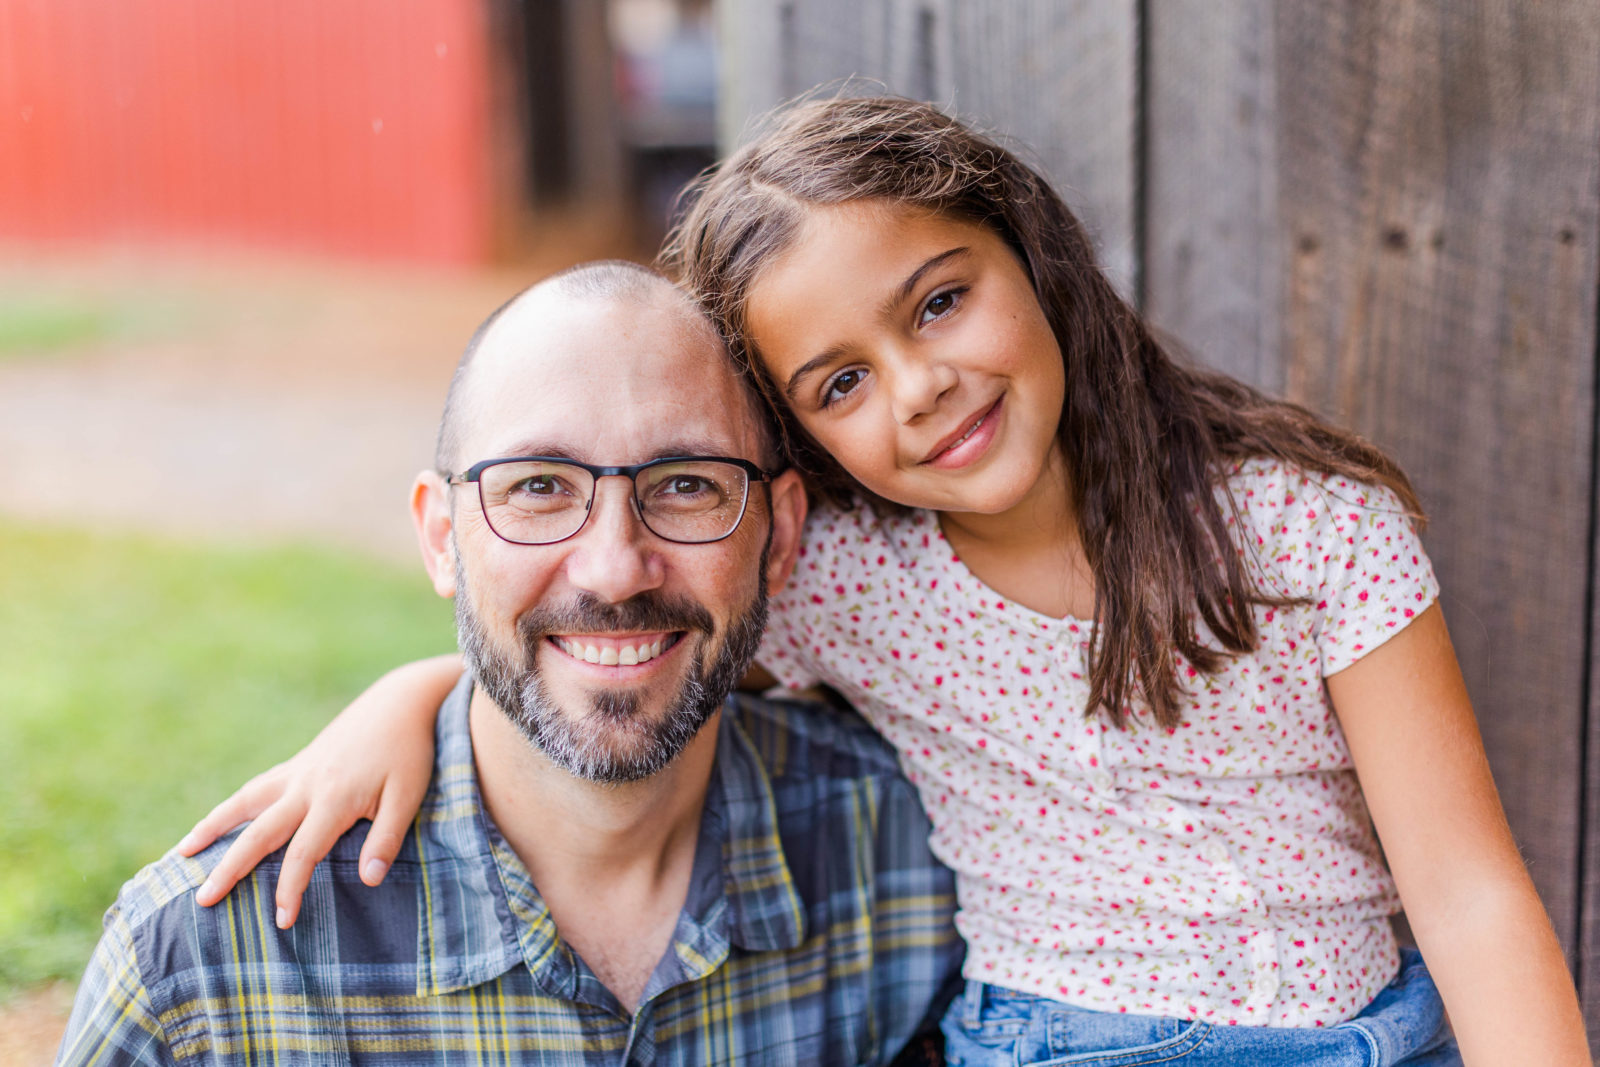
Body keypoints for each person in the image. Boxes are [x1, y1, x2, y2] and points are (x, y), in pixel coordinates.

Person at [176, 97, 1590, 1064]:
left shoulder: (1307, 528)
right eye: (841, 381)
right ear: (801, 441)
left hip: (1380, 1029)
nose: (922, 387)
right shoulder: (846, 578)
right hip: (1064, 1038)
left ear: (1029, 252)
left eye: (940, 300)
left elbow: (1466, 891)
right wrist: (404, 696)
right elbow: (617, 628)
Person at [55, 263, 964, 1066]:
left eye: (687, 482)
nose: (614, 568)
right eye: (538, 486)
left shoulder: (912, 858)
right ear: (442, 538)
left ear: (781, 535)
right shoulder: (207, 977)